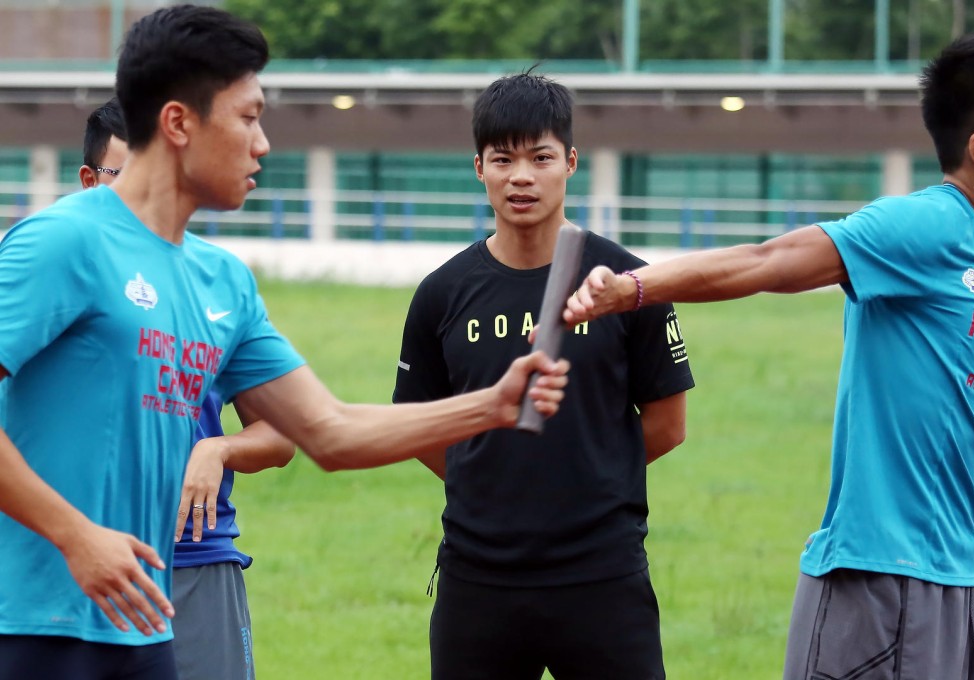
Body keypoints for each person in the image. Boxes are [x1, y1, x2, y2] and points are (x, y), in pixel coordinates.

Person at [0, 6, 568, 680]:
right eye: (247, 117)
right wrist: (75, 537)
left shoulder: (223, 282)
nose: (263, 143)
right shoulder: (63, 241)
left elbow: (329, 430)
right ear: (179, 123)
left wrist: (493, 405)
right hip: (30, 626)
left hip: (143, 632)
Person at [564, 32, 974, 679]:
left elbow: (924, 446)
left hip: (951, 589)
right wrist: (630, 288)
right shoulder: (930, 225)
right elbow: (769, 260)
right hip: (878, 588)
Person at [393, 72, 694, 680]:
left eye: (540, 157)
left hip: (602, 576)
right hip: (477, 581)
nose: (521, 176)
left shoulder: (627, 282)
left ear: (571, 162)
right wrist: (490, 481)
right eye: (503, 159)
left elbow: (667, 424)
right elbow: (417, 427)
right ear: (479, 166)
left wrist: (589, 476)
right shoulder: (442, 294)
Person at [80, 97, 295, 680]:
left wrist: (218, 448)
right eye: (124, 176)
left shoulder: (221, 281)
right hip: (75, 561)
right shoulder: (55, 265)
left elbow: (285, 432)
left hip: (196, 560)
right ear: (88, 180)